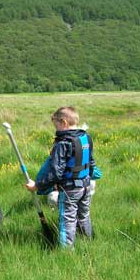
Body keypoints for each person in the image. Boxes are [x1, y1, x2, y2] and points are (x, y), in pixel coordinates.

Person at [25, 106, 97, 247]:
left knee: (67, 219)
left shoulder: (62, 143)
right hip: (86, 186)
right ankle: (88, 241)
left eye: (56, 125)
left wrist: (38, 186)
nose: (55, 129)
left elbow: (55, 173)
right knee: (84, 216)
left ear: (63, 122)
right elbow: (92, 163)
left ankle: (66, 251)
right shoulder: (86, 138)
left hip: (70, 189)